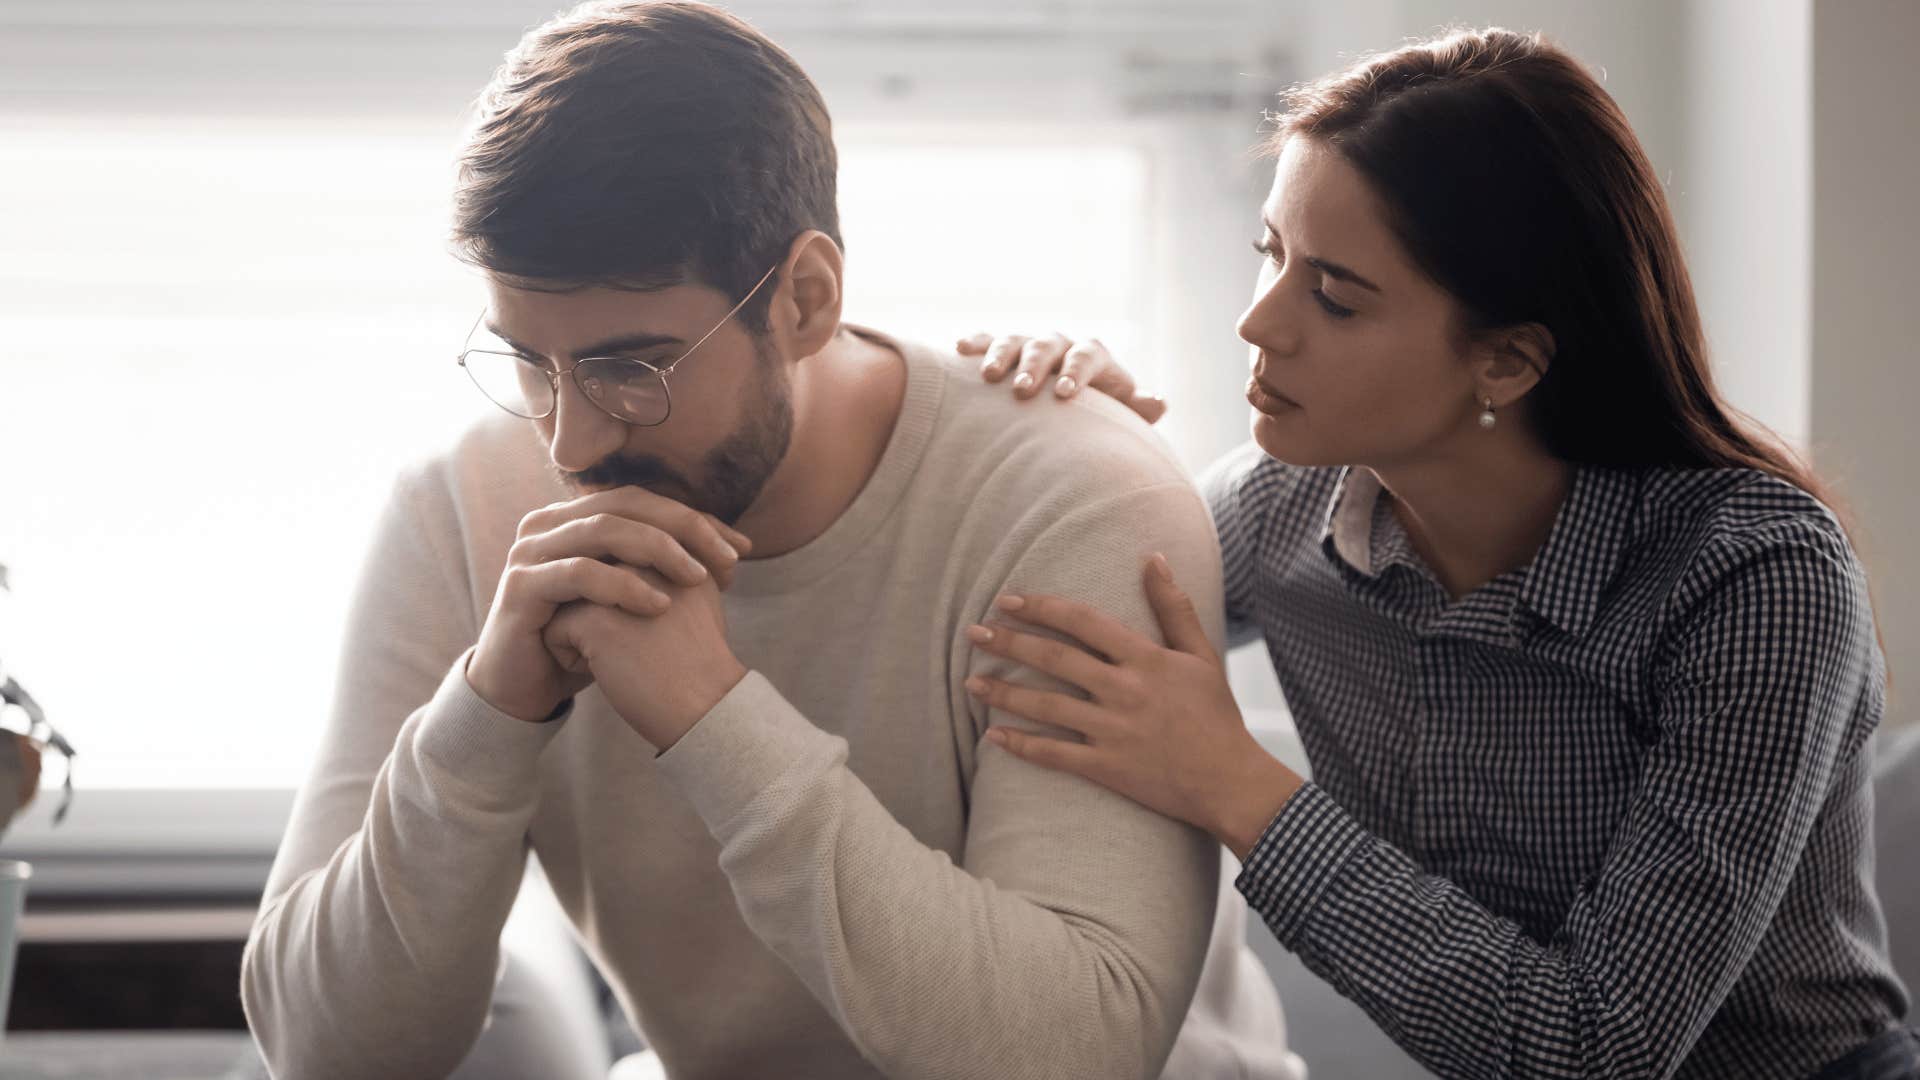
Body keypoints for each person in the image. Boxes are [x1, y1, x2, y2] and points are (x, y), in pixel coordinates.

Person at [239, 2, 1301, 1078]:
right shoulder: (461, 511)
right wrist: (487, 716)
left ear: (804, 297)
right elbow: (321, 1056)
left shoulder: (1077, 502)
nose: (571, 438)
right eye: (527, 361)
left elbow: (1071, 1055)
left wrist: (715, 720)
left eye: (632, 367)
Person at [961, 26, 1919, 1080]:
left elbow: (1593, 1050)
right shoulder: (1278, 509)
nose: (1257, 322)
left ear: (1507, 361)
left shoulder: (1756, 579)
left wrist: (1231, 779)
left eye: (1333, 295)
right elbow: (1057, 611)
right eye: (1269, 254)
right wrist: (1077, 439)